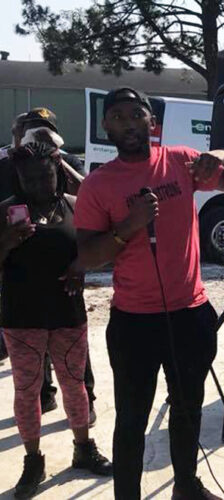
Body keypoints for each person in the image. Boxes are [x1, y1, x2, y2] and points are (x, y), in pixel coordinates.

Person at [73, 87, 224, 500]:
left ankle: (186, 486)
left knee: (187, 411)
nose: (129, 123)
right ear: (106, 126)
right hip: (134, 321)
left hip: (191, 313)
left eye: (137, 114)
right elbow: (88, 256)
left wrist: (222, 156)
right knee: (132, 419)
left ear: (152, 122)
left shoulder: (182, 161)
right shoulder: (97, 185)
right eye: (118, 117)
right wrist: (128, 226)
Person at [0, 142, 112, 498]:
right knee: (27, 392)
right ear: (17, 177)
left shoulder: (76, 208)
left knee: (75, 385)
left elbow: (97, 256)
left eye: (44, 175)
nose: (36, 184)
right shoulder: (5, 213)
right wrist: (6, 243)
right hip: (21, 320)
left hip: (68, 316)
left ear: (58, 173)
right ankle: (33, 460)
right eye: (27, 177)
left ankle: (83, 447)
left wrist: (83, 269)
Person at [0, 109, 97, 422]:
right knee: (29, 375)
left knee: (76, 371)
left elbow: (87, 195)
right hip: (22, 298)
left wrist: (58, 159)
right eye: (28, 130)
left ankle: (86, 406)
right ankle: (45, 397)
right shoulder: (10, 164)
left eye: (42, 131)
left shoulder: (68, 163)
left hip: (66, 301)